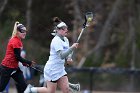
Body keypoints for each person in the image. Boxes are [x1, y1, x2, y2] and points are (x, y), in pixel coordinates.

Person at [24, 17, 80, 93]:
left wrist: (69, 58)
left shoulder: (66, 39)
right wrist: (72, 48)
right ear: (58, 30)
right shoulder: (56, 40)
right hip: (52, 69)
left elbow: (66, 53)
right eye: (64, 28)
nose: (66, 30)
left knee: (66, 90)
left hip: (60, 69)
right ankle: (31, 90)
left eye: (66, 28)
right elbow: (61, 55)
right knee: (50, 91)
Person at [0, 21, 35, 93]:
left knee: (24, 86)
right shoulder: (15, 41)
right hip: (7, 68)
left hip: (14, 68)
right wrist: (28, 62)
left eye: (25, 31)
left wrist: (25, 63)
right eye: (22, 31)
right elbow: (18, 57)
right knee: (1, 88)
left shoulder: (18, 40)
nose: (24, 33)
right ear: (17, 32)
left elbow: (17, 57)